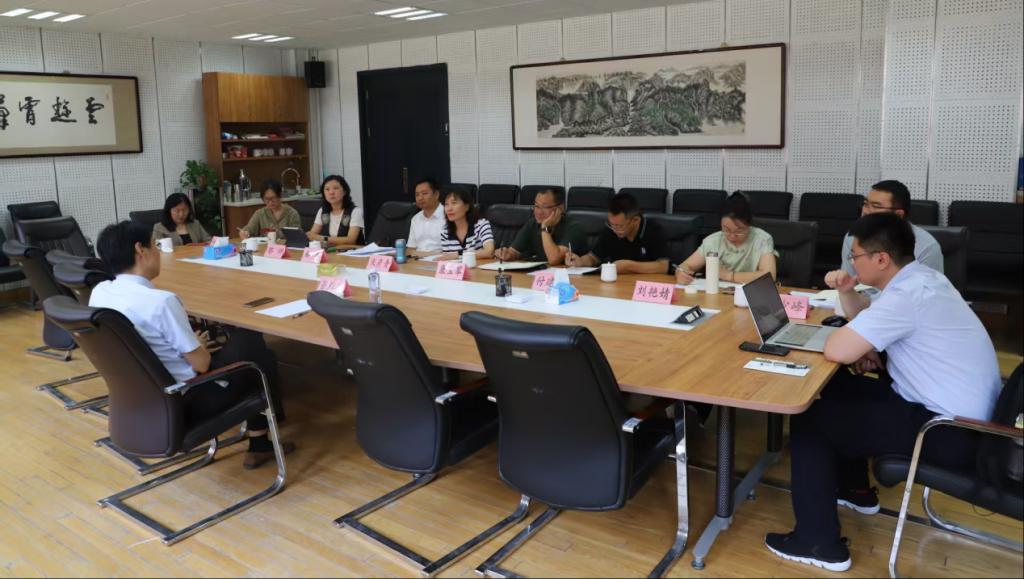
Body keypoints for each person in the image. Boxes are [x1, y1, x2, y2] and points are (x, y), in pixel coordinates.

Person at [765, 213, 1000, 572]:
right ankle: (855, 490)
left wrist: (855, 345)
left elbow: (838, 350)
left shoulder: (907, 296)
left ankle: (817, 542)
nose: (850, 262)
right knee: (837, 385)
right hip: (959, 418)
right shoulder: (924, 280)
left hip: (946, 430)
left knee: (811, 419)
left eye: (855, 256)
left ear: (881, 259)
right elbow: (867, 317)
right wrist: (849, 297)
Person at [90, 220, 295, 469]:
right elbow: (202, 364)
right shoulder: (161, 302)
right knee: (252, 346)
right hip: (186, 401)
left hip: (140, 402)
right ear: (140, 250)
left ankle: (262, 436)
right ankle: (261, 440)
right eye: (154, 246)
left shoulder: (100, 293)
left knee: (244, 346)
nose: (158, 252)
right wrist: (197, 345)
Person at [840, 180, 943, 275]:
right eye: (866, 204)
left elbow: (927, 287)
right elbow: (849, 279)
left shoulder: (926, 247)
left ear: (898, 214)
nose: (866, 211)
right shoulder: (853, 237)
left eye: (876, 206)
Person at [674, 192, 777, 284]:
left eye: (739, 231)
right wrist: (680, 273)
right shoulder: (713, 241)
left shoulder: (762, 239)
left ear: (749, 225)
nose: (732, 236)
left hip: (750, 294)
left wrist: (729, 276)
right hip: (718, 294)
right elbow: (685, 266)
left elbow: (769, 277)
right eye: (726, 230)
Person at [565, 192, 669, 274]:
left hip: (645, 285)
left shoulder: (653, 230)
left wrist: (629, 266)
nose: (614, 229)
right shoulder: (610, 229)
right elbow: (593, 257)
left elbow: (663, 266)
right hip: (618, 284)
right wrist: (580, 261)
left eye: (620, 226)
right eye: (612, 224)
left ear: (636, 220)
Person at [493, 188, 587, 265]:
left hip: (569, 279)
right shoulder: (532, 224)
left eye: (545, 207)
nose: (539, 212)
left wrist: (545, 227)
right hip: (541, 276)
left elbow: (554, 259)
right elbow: (515, 251)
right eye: (536, 206)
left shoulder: (574, 228)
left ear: (560, 208)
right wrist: (507, 254)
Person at [307, 175, 364, 246]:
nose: (331, 192)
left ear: (344, 192)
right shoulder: (323, 211)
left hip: (351, 251)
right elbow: (312, 235)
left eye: (336, 188)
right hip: (329, 250)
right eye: (327, 189)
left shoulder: (355, 211)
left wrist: (322, 238)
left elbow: (351, 240)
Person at [439, 187, 495, 258]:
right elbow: (447, 257)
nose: (449, 208)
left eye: (454, 203)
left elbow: (489, 252)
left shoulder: (481, 225)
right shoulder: (445, 232)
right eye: (446, 204)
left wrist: (459, 254)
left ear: (467, 207)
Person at [407, 178, 445, 253]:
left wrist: (426, 255)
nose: (420, 198)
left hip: (441, 259)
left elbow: (453, 251)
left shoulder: (449, 215)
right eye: (417, 195)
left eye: (424, 193)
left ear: (436, 194)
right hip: (418, 259)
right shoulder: (415, 219)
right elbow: (410, 249)